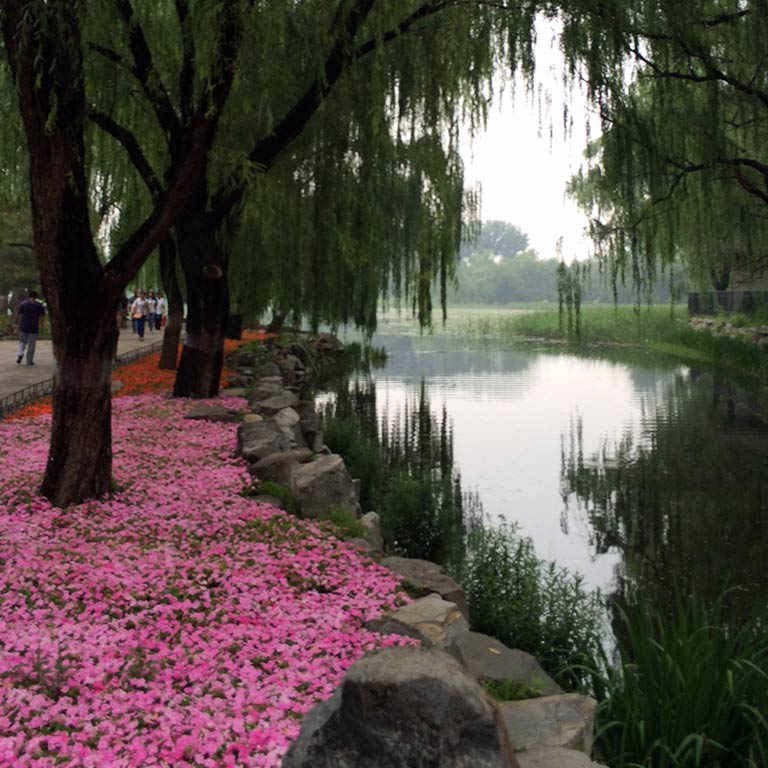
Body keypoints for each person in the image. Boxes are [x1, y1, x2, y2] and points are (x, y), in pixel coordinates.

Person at [16, 291, 45, 365]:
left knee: (22, 342)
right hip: (34, 327)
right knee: (31, 345)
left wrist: (19, 324)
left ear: (29, 296)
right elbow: (41, 317)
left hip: (23, 326)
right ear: (36, 297)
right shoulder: (39, 306)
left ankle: (20, 355)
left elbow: (19, 315)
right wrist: (41, 326)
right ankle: (29, 361)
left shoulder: (23, 304)